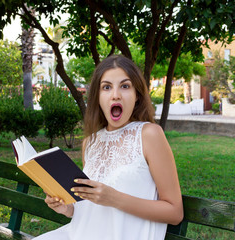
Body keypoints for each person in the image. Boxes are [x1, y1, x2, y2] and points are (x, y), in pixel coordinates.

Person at [33, 55, 183, 240]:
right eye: (106, 87)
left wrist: (114, 199)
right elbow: (89, 209)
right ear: (98, 97)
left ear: (137, 96)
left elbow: (175, 213)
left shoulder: (150, 134)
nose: (115, 95)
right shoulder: (90, 142)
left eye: (125, 86)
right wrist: (67, 208)